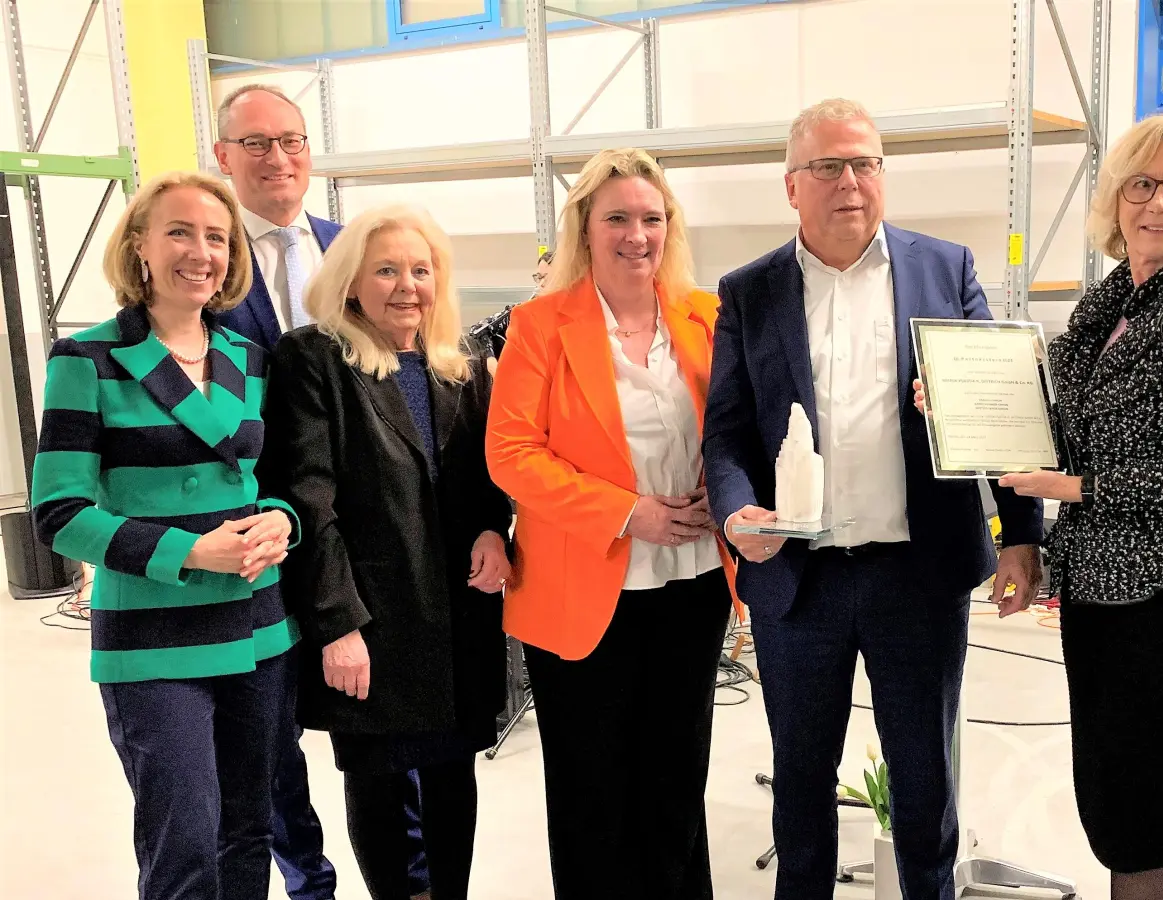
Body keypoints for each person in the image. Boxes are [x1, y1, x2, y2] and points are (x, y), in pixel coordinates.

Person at [703, 98, 1044, 900]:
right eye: (828, 166)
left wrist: (1023, 535)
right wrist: (734, 509)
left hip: (915, 577)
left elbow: (1005, 402)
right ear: (792, 186)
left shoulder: (944, 269)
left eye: (866, 163)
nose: (850, 181)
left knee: (925, 791)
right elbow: (725, 433)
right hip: (800, 581)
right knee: (800, 795)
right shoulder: (749, 292)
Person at [918, 113, 1163, 900]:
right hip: (1096, 585)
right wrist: (957, 402)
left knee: (1139, 806)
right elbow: (1048, 425)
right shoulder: (1102, 308)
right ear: (1115, 200)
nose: (1159, 203)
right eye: (1141, 184)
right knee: (1112, 798)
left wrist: (1075, 491)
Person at [31, 170, 298, 900]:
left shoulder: (247, 360)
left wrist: (283, 520)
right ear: (140, 246)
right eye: (179, 231)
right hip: (155, 642)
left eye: (216, 236)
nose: (200, 251)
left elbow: (272, 480)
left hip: (259, 630)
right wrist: (186, 551)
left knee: (249, 833)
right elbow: (57, 513)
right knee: (183, 848)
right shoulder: (87, 360)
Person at [485, 148, 737, 900]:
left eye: (652, 219)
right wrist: (631, 513)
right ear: (586, 230)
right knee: (591, 790)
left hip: (692, 587)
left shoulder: (707, 318)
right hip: (580, 593)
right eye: (618, 218)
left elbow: (737, 425)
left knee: (676, 778)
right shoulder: (539, 326)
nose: (637, 235)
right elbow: (511, 453)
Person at [212, 82, 431, 900]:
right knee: (271, 738)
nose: (280, 158)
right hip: (250, 535)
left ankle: (407, 878)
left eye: (293, 141)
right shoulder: (207, 257)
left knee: (384, 721)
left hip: (355, 534)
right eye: (259, 143)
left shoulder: (358, 247)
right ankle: (309, 881)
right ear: (224, 156)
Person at [259, 205, 513, 900]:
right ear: (350, 281)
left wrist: (495, 529)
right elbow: (308, 500)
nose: (408, 285)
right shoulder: (314, 358)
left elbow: (488, 480)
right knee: (376, 778)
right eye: (388, 269)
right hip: (371, 619)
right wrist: (338, 624)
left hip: (457, 614)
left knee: (453, 775)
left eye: (422, 270)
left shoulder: (460, 367)